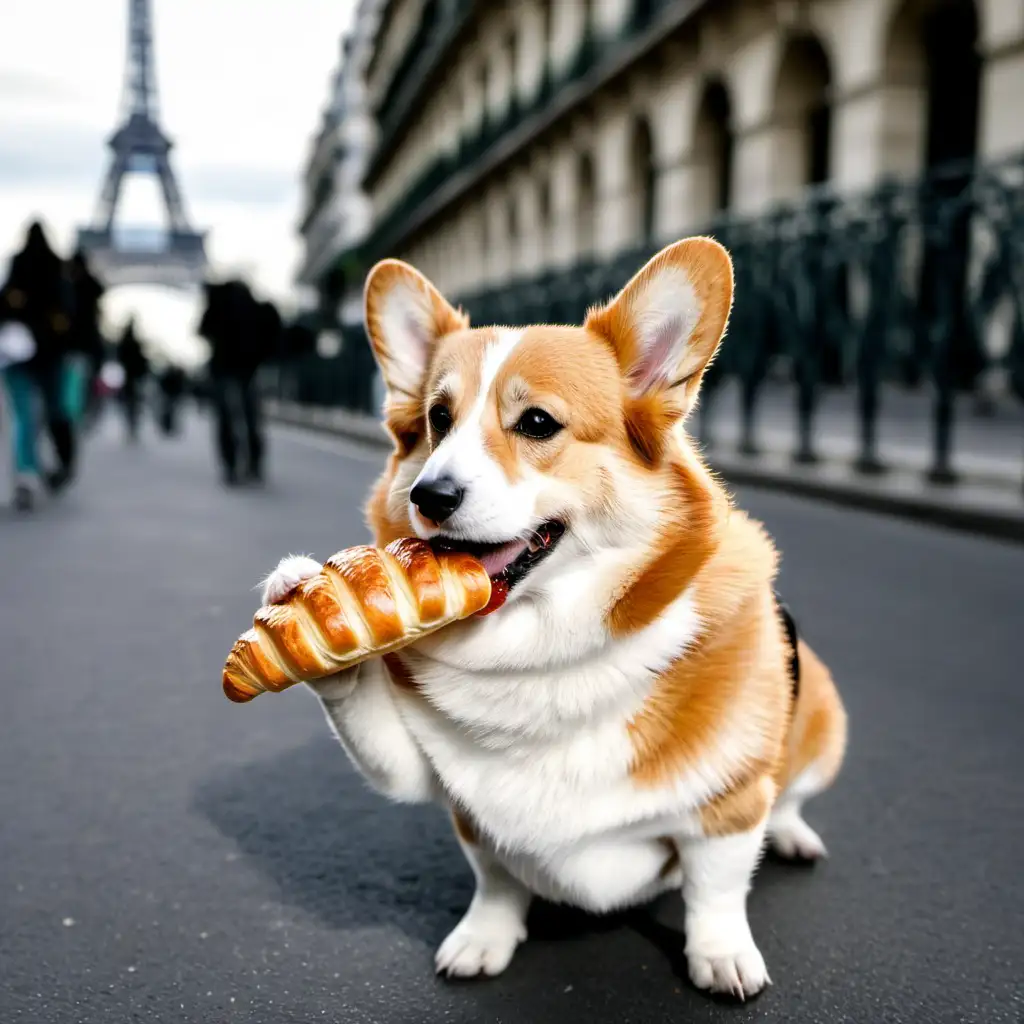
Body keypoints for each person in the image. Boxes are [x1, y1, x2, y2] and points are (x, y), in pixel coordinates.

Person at [0, 220, 77, 508]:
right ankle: (57, 462)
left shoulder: (17, 268)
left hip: (20, 355)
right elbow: (70, 314)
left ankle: (26, 473)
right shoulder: (58, 269)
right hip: (50, 356)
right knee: (53, 410)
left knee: (24, 417)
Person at [198, 280, 275, 485]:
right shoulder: (254, 308)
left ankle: (230, 465)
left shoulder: (217, 307)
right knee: (251, 418)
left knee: (225, 418)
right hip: (249, 369)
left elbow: (202, 331)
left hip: (223, 369)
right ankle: (254, 463)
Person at [66, 250, 106, 434]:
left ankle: (75, 412)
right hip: (87, 345)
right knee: (85, 381)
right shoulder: (90, 287)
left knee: (76, 381)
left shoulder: (70, 286)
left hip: (75, 345)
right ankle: (82, 411)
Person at [117, 319, 149, 441]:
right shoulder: (132, 344)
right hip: (131, 378)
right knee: (132, 404)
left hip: (131, 378)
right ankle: (132, 426)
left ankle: (132, 426)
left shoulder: (126, 344)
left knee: (131, 404)